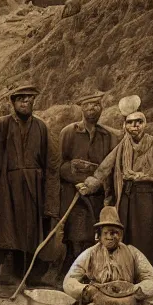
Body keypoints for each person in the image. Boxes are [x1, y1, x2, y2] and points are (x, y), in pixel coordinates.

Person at [77, 97, 153, 278]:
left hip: (151, 199)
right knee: (129, 234)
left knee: (149, 236)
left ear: (145, 124)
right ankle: (130, 270)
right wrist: (89, 185)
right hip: (128, 197)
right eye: (130, 123)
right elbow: (106, 167)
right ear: (125, 125)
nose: (135, 126)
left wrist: (146, 178)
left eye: (139, 122)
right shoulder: (122, 147)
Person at [0, 85, 60, 291]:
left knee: (33, 229)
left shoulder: (41, 127)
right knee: (7, 228)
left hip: (34, 186)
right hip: (7, 185)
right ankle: (4, 276)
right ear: (13, 103)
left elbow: (50, 162)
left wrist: (48, 193)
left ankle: (32, 275)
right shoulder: (1, 124)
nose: (25, 103)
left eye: (29, 99)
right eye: (21, 99)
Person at [59, 92, 119, 267]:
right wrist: (77, 181)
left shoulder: (108, 136)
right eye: (87, 105)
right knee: (74, 234)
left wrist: (97, 184)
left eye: (96, 105)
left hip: (97, 193)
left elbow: (110, 166)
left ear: (101, 108)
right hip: (74, 192)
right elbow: (61, 164)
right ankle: (69, 268)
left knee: (94, 232)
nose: (92, 109)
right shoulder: (69, 132)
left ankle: (93, 268)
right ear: (81, 108)